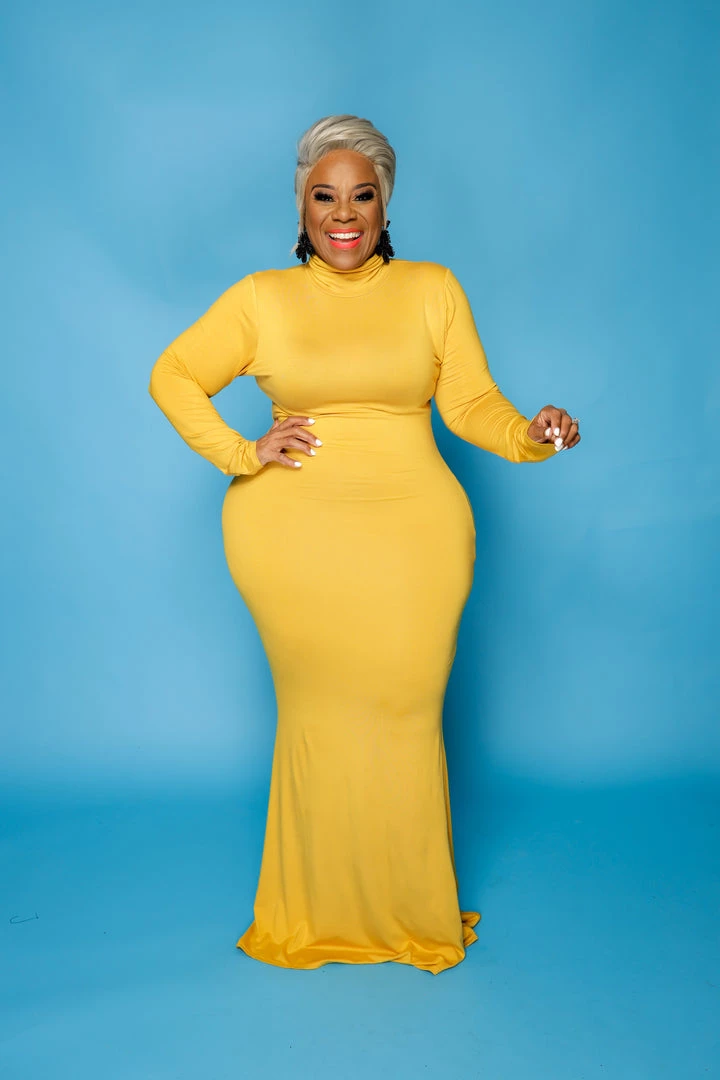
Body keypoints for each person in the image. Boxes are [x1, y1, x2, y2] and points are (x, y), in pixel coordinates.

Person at [148, 114, 581, 976]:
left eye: (362, 196)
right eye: (324, 196)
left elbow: (470, 406)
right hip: (291, 539)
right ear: (301, 207)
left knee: (406, 714)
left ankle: (408, 914)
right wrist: (243, 453)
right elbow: (174, 374)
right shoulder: (261, 298)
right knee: (318, 715)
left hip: (415, 536)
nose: (343, 214)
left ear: (386, 206)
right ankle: (312, 913)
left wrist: (531, 434)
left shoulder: (432, 289)